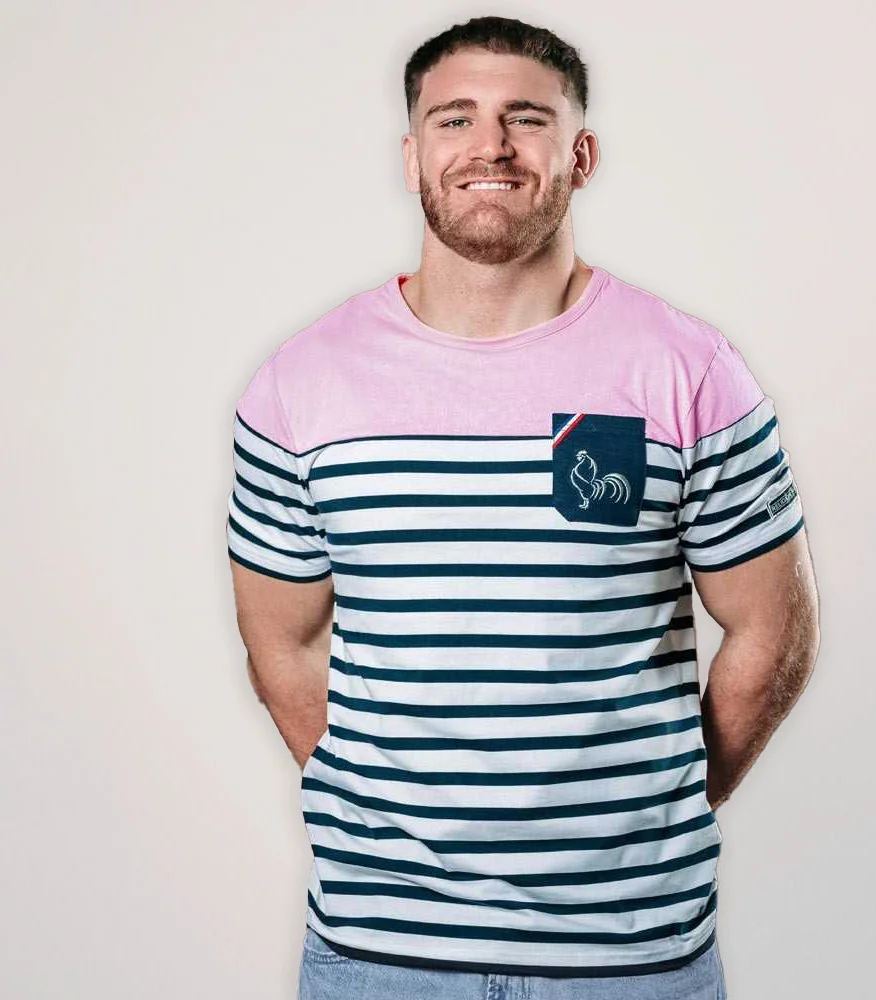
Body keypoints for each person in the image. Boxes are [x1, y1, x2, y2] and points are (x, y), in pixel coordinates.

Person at [225, 14, 821, 1000]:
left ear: (580, 155)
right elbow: (279, 644)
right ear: (412, 156)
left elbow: (773, 629)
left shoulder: (689, 371)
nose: (490, 146)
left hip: (630, 961)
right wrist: (385, 819)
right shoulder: (299, 386)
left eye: (526, 118)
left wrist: (661, 809)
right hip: (381, 959)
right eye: (455, 119)